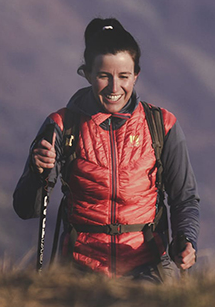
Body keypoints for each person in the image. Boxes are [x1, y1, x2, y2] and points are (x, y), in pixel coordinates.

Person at [13, 18, 199, 280]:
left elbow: (185, 198)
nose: (115, 88)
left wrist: (187, 239)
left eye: (124, 76)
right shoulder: (62, 126)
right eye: (104, 76)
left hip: (149, 269)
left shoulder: (161, 126)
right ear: (87, 74)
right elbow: (26, 209)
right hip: (80, 271)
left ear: (136, 75)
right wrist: (37, 171)